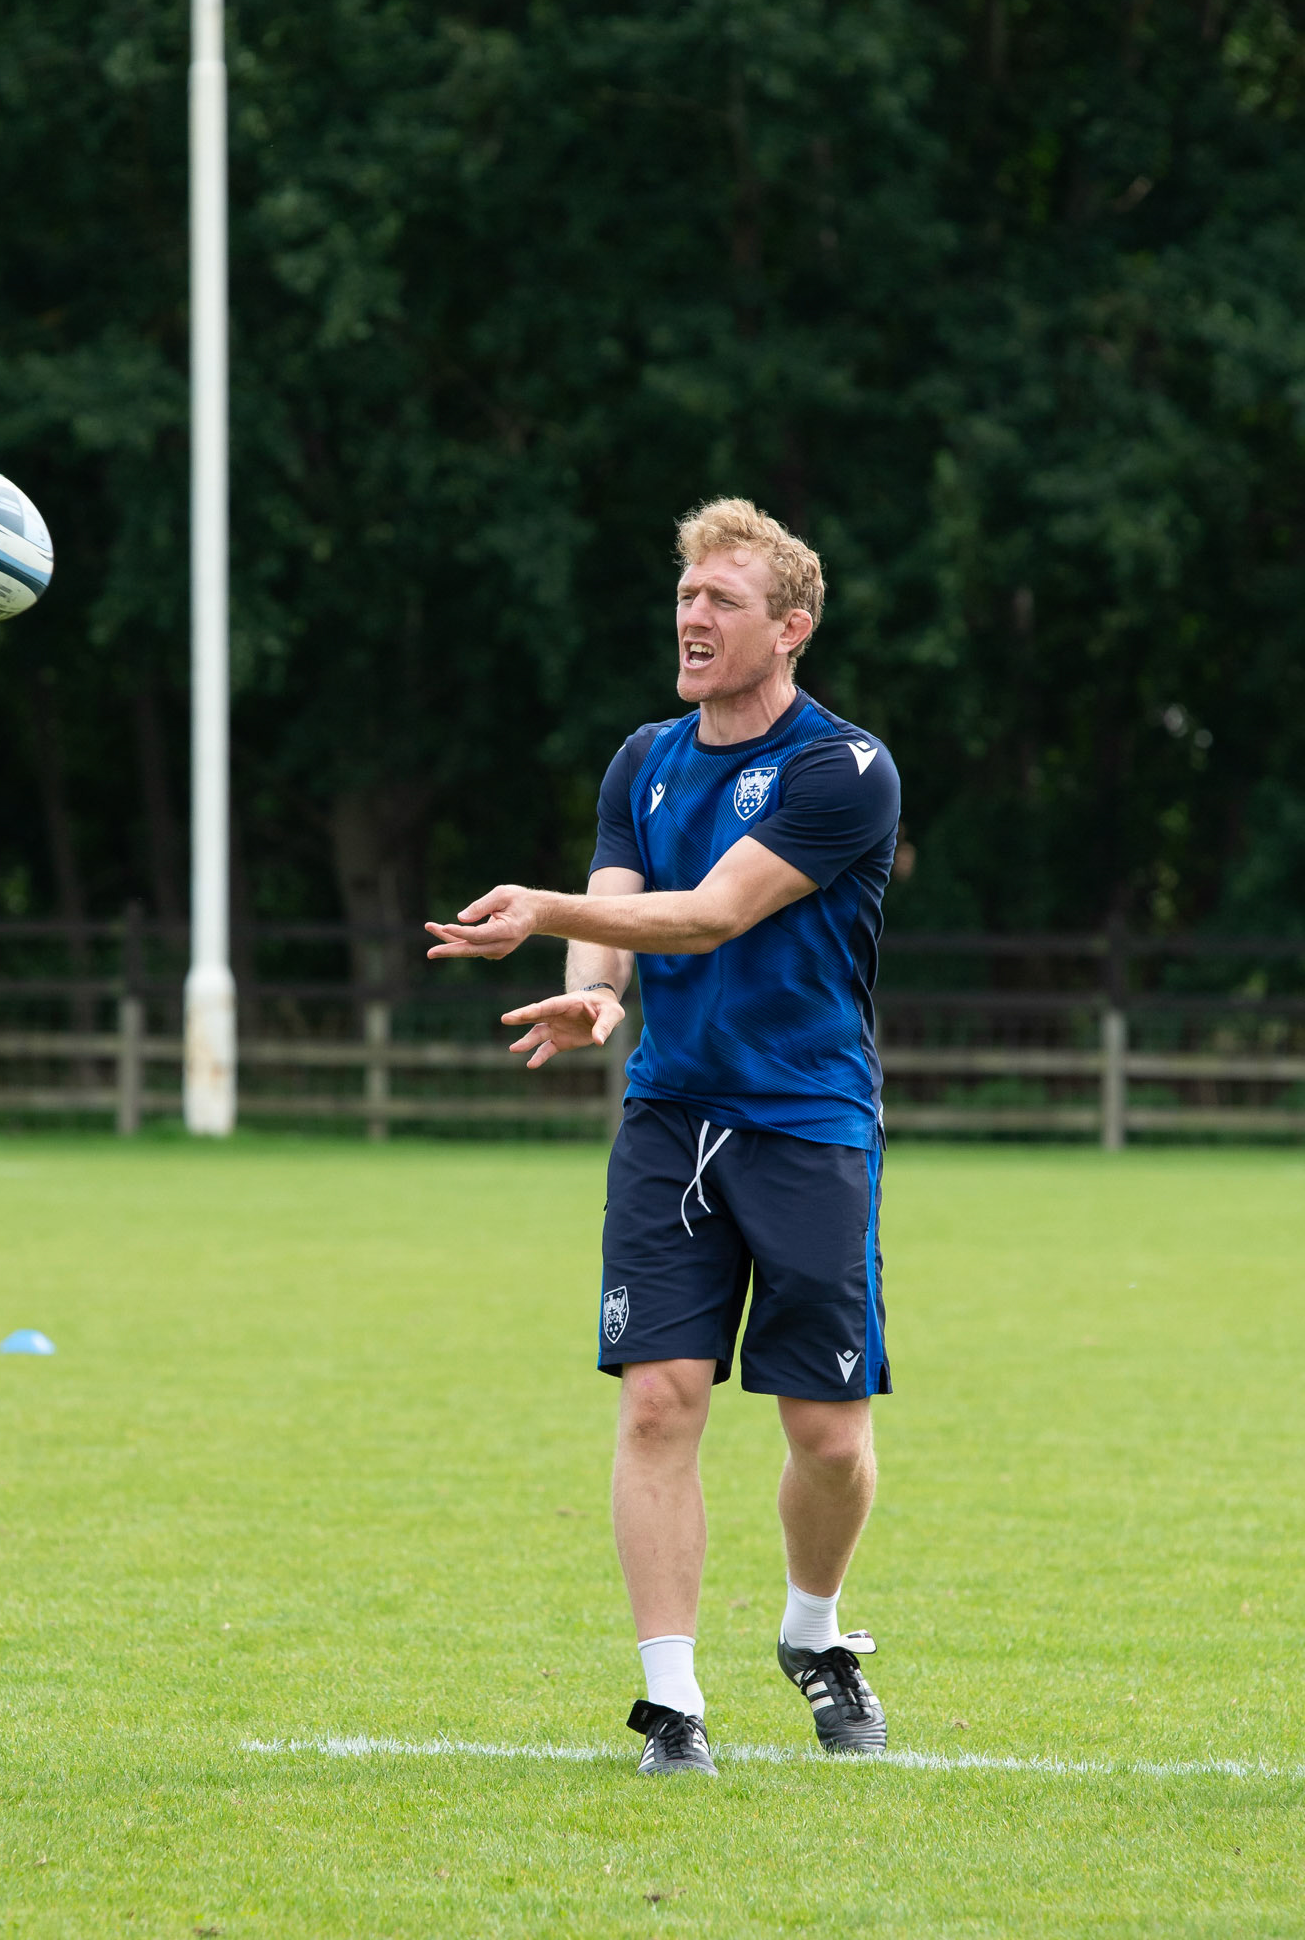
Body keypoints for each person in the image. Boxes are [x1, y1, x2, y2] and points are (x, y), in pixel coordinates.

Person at [426, 497, 901, 1777]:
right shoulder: (642, 756)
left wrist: (540, 908)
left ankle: (814, 1637)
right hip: (669, 1121)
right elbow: (629, 909)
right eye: (686, 595)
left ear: (788, 628)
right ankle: (672, 1701)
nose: (692, 617)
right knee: (657, 1404)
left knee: (828, 1437)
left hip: (807, 1124)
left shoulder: (839, 769)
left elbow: (707, 915)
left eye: (723, 600)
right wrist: (593, 987)